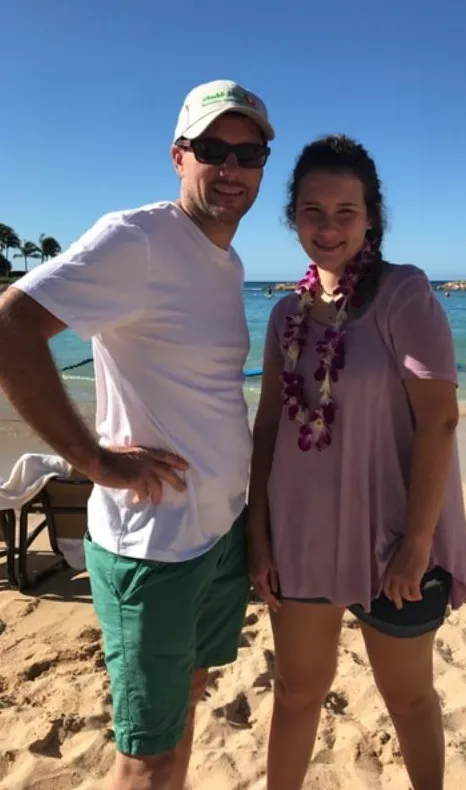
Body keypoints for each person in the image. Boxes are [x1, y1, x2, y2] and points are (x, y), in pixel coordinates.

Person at [0, 79, 274, 790]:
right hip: (152, 547)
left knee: (183, 709)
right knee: (148, 754)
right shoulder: (139, 238)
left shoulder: (227, 261)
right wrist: (90, 458)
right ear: (180, 156)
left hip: (217, 536)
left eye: (251, 152)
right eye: (215, 148)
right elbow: (10, 327)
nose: (233, 167)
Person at [247, 135, 466, 790]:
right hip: (300, 538)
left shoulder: (403, 294)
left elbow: (440, 420)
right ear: (293, 216)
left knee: (408, 699)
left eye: (345, 211)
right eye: (312, 211)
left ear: (371, 217)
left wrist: (417, 543)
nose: (328, 228)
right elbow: (267, 428)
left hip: (392, 539)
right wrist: (257, 535)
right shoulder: (285, 313)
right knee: (296, 693)